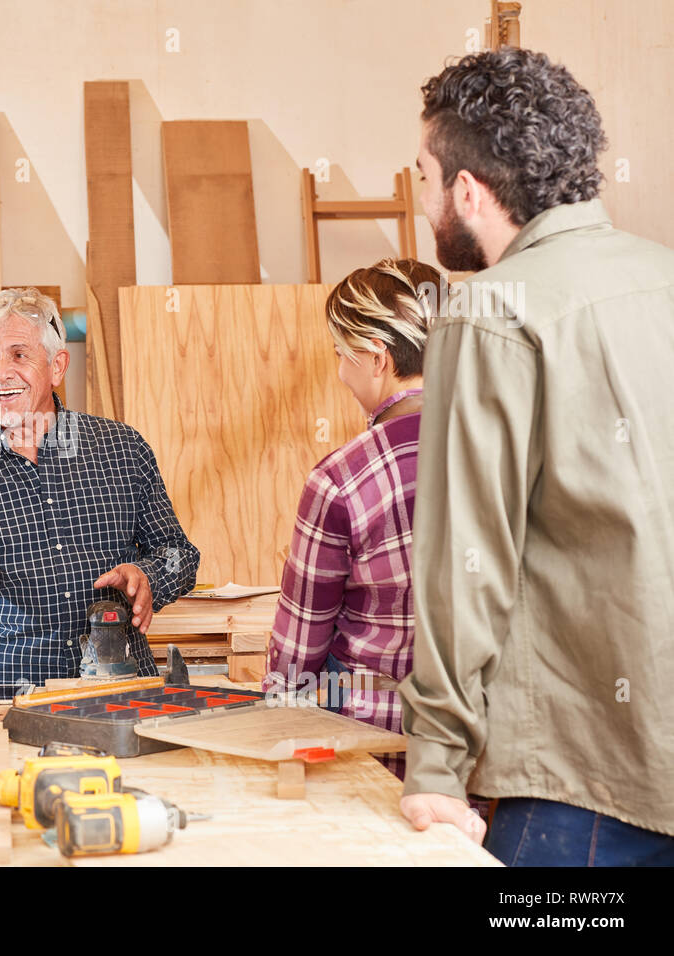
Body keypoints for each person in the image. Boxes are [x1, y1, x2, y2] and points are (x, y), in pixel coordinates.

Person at [401, 48, 674, 865]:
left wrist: (437, 765)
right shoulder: (663, 279)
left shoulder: (487, 311)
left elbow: (466, 561)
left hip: (580, 782)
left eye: (423, 176)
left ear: (467, 191)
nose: (422, 203)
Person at [0, 288, 200, 684]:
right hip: (6, 696)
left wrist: (148, 576)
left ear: (57, 366)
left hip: (116, 683)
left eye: (19, 354)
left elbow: (180, 555)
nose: (1, 374)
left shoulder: (123, 449)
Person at [265, 258, 441, 780]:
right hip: (480, 739)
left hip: (371, 743)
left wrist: (273, 730)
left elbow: (299, 649)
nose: (340, 371)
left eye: (342, 354)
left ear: (377, 358)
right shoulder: (506, 449)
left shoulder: (340, 480)